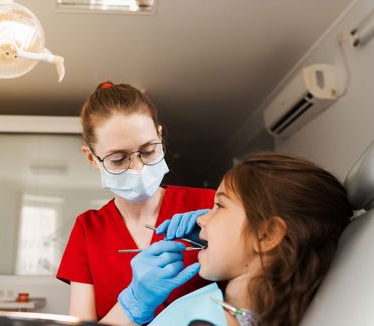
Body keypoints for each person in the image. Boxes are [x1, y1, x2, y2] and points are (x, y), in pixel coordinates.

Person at [118, 152, 353, 326]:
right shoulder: (217, 302)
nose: (200, 220)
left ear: (267, 234)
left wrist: (133, 307)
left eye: (219, 205)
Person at [56, 82, 215, 323]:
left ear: (159, 136)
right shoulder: (88, 229)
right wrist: (134, 302)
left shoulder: (211, 204)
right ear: (92, 158)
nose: (138, 168)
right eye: (118, 159)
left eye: (148, 151)